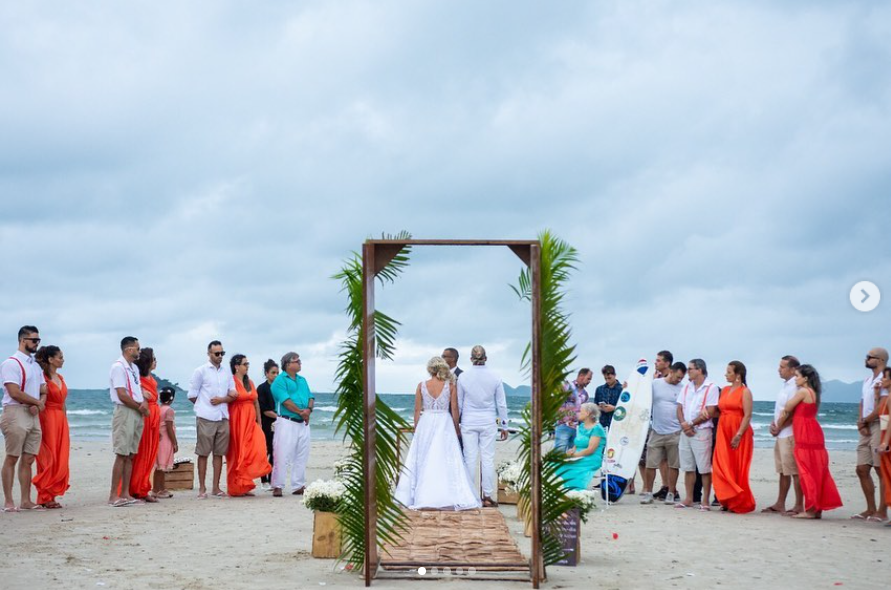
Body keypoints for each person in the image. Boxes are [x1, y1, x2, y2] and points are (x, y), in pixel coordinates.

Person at [395, 356, 480, 510]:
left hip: (426, 422)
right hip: (444, 422)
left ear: (430, 369)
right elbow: (454, 409)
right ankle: (445, 493)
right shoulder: (450, 385)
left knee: (423, 456)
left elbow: (417, 409)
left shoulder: (421, 385)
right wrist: (456, 428)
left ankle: (421, 494)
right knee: (445, 455)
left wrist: (416, 427)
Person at [776, 364, 842, 519]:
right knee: (814, 470)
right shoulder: (813, 392)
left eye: (798, 376)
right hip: (811, 430)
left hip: (806, 433)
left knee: (806, 470)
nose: (795, 379)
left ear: (805, 379)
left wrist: (780, 422)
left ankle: (811, 509)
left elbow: (788, 406)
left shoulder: (804, 391)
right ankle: (815, 508)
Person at [1, 326, 47, 512]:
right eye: (34, 340)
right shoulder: (11, 363)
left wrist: (40, 403)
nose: (37, 343)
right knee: (12, 457)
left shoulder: (35, 365)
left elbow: (44, 389)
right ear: (22, 340)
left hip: (33, 413)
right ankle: (9, 501)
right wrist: (36, 401)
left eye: (38, 340)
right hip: (15, 411)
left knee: (29, 458)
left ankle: (26, 500)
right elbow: (14, 392)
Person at [457, 345, 509, 507]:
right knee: (487, 458)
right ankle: (487, 496)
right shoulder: (495, 376)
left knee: (469, 458)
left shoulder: (464, 377)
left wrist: (456, 422)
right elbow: (501, 404)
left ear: (471, 359)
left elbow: (459, 403)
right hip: (487, 421)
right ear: (486, 358)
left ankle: (469, 495)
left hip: (468, 421)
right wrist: (505, 425)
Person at [188, 340, 238, 499]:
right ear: (209, 354)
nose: (220, 356)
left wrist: (221, 400)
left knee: (219, 453)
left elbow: (233, 394)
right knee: (203, 453)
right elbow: (192, 395)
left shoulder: (227, 372)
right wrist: (204, 407)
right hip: (206, 417)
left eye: (222, 353)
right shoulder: (200, 371)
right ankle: (202, 488)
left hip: (223, 416)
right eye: (217, 353)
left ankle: (215, 487)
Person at [108, 336, 148, 507]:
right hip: (125, 411)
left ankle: (125, 493)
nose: (139, 351)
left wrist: (143, 403)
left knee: (130, 455)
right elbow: (122, 394)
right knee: (122, 453)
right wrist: (139, 407)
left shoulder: (133, 368)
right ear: (129, 349)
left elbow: (137, 390)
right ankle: (113, 496)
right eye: (137, 349)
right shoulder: (118, 367)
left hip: (136, 411)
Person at [675, 358, 719, 511]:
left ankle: (705, 500)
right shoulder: (687, 387)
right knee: (688, 467)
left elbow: (711, 411)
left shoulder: (711, 387)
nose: (688, 372)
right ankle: (689, 498)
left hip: (702, 431)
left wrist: (691, 424)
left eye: (690, 369)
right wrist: (684, 424)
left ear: (699, 370)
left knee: (704, 468)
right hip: (686, 430)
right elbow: (679, 407)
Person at [712, 361, 755, 513]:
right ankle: (726, 499)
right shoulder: (724, 390)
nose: (726, 374)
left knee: (737, 467)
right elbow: (719, 410)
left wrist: (738, 434)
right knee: (722, 465)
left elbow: (747, 415)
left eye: (729, 372)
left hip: (739, 431)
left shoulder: (745, 392)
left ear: (738, 375)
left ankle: (738, 501)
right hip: (723, 430)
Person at [226, 355, 272, 496]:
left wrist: (259, 421)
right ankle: (237, 487)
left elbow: (256, 402)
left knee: (255, 449)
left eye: (248, 364)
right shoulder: (230, 382)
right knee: (238, 452)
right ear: (236, 366)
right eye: (245, 364)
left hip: (250, 421)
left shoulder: (250, 382)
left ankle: (245, 484)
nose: (247, 366)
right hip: (237, 420)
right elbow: (227, 401)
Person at [763, 355, 804, 516]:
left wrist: (779, 426)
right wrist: (774, 425)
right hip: (781, 433)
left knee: (794, 470)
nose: (779, 370)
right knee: (782, 470)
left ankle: (799, 504)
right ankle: (780, 503)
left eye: (782, 367)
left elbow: (794, 412)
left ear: (793, 369)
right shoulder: (786, 385)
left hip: (790, 433)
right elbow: (781, 410)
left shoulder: (796, 386)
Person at [641, 362, 685, 505]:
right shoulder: (656, 384)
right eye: (677, 377)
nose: (679, 380)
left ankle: (671, 492)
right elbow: (643, 398)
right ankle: (648, 492)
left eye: (681, 378)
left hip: (675, 432)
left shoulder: (682, 388)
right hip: (657, 430)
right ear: (671, 371)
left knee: (674, 465)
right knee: (650, 463)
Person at [270, 352, 314, 497]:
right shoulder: (279, 381)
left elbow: (310, 397)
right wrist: (301, 412)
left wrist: (308, 410)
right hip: (287, 421)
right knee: (282, 454)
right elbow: (285, 401)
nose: (300, 363)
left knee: (302, 454)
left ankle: (298, 485)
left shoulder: (302, 380)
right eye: (297, 361)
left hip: (303, 422)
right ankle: (277, 485)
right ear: (288, 364)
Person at [853, 347, 888, 522]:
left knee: (879, 468)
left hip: (879, 424)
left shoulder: (885, 380)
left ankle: (882, 511)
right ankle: (870, 508)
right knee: (861, 468)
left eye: (870, 357)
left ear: (880, 360)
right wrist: (861, 421)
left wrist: (866, 420)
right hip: (867, 424)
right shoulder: (867, 380)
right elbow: (862, 402)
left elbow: (882, 405)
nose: (866, 359)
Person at [33, 345, 70, 509]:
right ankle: (45, 496)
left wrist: (65, 421)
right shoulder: (42, 378)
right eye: (60, 357)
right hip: (47, 418)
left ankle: (51, 494)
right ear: (50, 359)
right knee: (49, 456)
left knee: (61, 456)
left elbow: (63, 403)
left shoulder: (60, 378)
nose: (63, 359)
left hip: (61, 419)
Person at [128, 348, 161, 502]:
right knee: (142, 453)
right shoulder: (139, 379)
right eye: (153, 359)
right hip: (146, 416)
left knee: (150, 454)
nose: (155, 361)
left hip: (155, 415)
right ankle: (137, 488)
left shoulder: (151, 377)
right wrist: (141, 392)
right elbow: (133, 392)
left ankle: (144, 486)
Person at [558, 402, 607, 490]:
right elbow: (577, 444)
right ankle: (564, 491)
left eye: (580, 411)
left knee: (568, 467)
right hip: (577, 455)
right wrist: (572, 450)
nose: (578, 413)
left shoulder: (597, 428)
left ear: (588, 413)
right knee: (556, 464)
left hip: (591, 457)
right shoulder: (581, 426)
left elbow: (591, 449)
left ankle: (573, 491)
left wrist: (575, 455)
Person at [649, 350, 675, 501]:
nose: (656, 362)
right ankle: (665, 486)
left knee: (669, 460)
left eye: (658, 360)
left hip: (671, 427)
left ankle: (671, 489)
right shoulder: (656, 379)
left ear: (667, 363)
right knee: (660, 459)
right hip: (657, 424)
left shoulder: (672, 379)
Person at [555, 368, 593, 451]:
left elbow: (584, 412)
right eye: (588, 378)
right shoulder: (567, 387)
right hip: (564, 426)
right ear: (581, 376)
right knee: (559, 454)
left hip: (577, 429)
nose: (589, 381)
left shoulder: (585, 395)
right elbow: (557, 404)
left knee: (573, 456)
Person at [256, 359, 280, 490]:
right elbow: (264, 410)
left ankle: (272, 479)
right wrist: (280, 417)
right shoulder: (262, 388)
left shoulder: (280, 388)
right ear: (266, 373)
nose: (276, 375)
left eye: (277, 372)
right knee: (266, 451)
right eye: (273, 372)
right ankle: (264, 480)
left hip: (279, 424)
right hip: (266, 424)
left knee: (276, 452)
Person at [153, 387, 178, 498]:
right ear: (172, 399)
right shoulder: (169, 410)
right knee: (162, 467)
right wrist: (175, 443)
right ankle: (160, 489)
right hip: (166, 441)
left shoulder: (158, 409)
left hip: (159, 440)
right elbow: (169, 428)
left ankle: (157, 488)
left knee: (159, 467)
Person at [876, 367, 891, 528]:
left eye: (885, 378)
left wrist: (885, 442)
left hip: (887, 438)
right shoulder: (886, 398)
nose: (882, 380)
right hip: (884, 434)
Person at [593, 365, 623, 430]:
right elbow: (595, 406)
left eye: (609, 378)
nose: (607, 381)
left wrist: (614, 408)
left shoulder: (623, 389)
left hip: (617, 425)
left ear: (615, 375)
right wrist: (601, 408)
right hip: (602, 425)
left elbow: (627, 408)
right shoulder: (599, 389)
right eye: (605, 378)